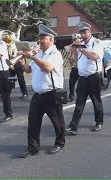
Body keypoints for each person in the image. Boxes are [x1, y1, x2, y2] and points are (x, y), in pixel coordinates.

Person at [19, 24, 66, 158]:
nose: (39, 41)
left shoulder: (55, 54)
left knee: (57, 121)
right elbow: (29, 70)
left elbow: (47, 67)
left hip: (52, 93)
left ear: (50, 39)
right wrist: (22, 61)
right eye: (39, 38)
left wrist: (32, 57)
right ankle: (33, 147)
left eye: (42, 38)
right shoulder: (39, 53)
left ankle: (60, 142)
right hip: (38, 94)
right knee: (33, 121)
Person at [65, 22, 104, 135]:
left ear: (89, 32)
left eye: (85, 32)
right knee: (79, 103)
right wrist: (72, 53)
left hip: (94, 77)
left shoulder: (97, 43)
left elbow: (94, 56)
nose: (83, 35)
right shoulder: (80, 44)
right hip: (82, 78)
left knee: (96, 101)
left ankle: (99, 122)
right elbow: (75, 61)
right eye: (81, 32)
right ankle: (73, 126)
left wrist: (80, 49)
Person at [67, 33, 80, 102]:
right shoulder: (72, 47)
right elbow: (69, 58)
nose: (74, 41)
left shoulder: (81, 46)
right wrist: (70, 57)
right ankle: (71, 96)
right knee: (71, 82)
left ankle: (82, 95)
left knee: (81, 84)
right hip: (74, 68)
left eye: (76, 39)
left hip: (81, 68)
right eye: (74, 39)